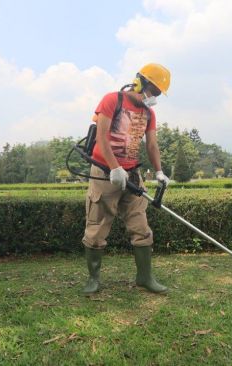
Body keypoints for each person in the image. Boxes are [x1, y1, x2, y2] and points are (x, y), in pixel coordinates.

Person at [82, 63, 171, 294]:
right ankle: (93, 279)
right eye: (153, 90)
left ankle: (145, 277)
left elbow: (151, 144)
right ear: (140, 82)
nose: (154, 96)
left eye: (158, 93)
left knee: (141, 227)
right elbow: (101, 136)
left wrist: (159, 171)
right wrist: (114, 167)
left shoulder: (149, 113)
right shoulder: (112, 100)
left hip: (132, 175)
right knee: (97, 228)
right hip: (105, 173)